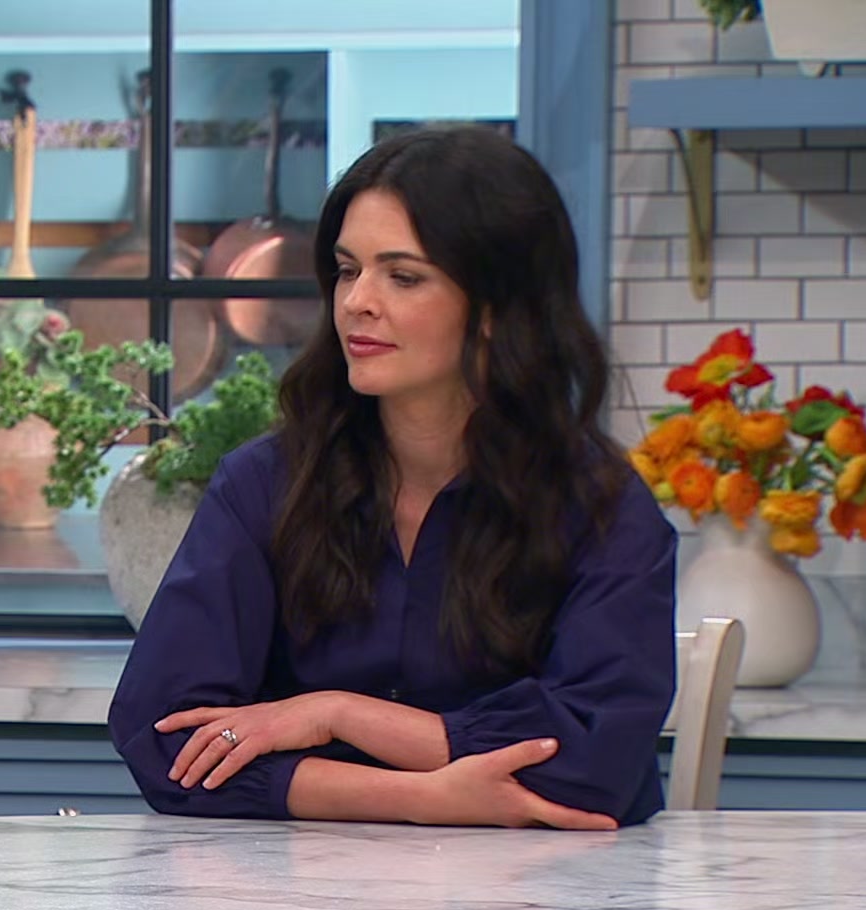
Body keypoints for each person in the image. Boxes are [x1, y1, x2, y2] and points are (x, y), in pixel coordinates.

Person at [109, 125, 676, 830]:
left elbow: (594, 760)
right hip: (299, 889)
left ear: (499, 307)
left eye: (402, 276)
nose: (356, 301)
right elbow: (167, 739)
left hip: (545, 892)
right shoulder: (265, 484)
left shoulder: (601, 507)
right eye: (348, 270)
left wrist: (334, 714)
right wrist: (422, 798)